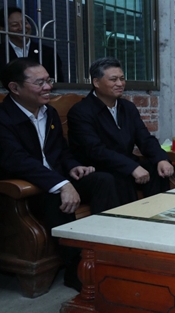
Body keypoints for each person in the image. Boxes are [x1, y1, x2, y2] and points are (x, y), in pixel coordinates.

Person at [0, 58, 119, 289]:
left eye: (49, 80)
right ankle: (77, 271)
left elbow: (61, 151)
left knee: (103, 180)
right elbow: (16, 160)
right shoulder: (4, 118)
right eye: (40, 83)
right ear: (15, 87)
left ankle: (106, 255)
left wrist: (73, 166)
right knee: (58, 196)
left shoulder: (49, 113)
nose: (48, 87)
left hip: (54, 179)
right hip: (26, 188)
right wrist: (62, 184)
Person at [67, 57, 174, 204]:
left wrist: (161, 159)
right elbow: (95, 150)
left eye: (122, 79)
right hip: (98, 168)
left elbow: (144, 138)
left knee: (156, 168)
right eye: (113, 79)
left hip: (125, 164)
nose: (120, 84)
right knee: (120, 176)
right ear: (96, 82)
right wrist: (132, 167)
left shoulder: (127, 108)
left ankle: (160, 212)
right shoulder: (81, 111)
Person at [0, 7, 64, 82]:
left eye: (25, 23)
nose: (22, 27)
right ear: (2, 29)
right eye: (15, 25)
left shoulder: (48, 53)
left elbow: (58, 83)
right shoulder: (2, 51)